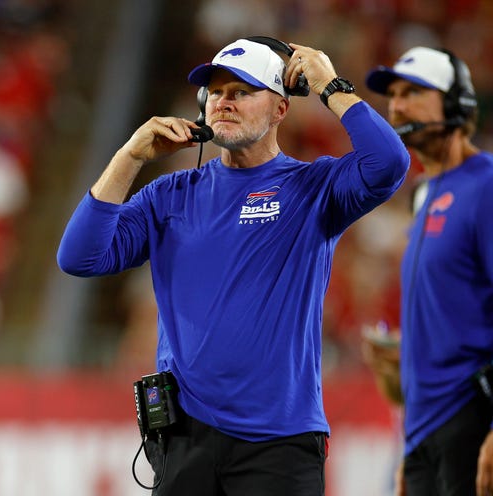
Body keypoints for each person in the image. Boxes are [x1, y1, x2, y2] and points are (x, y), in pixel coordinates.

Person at [57, 37, 409, 495]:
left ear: (280, 109)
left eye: (242, 92)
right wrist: (129, 158)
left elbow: (388, 163)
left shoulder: (313, 188)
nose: (224, 101)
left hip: (280, 444)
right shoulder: (170, 195)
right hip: (184, 441)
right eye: (216, 92)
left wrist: (329, 85)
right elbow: (79, 257)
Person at [362, 46, 493, 496]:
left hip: (473, 419)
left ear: (457, 105)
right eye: (393, 94)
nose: (397, 105)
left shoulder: (487, 185)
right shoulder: (422, 195)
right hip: (423, 431)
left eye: (414, 92)